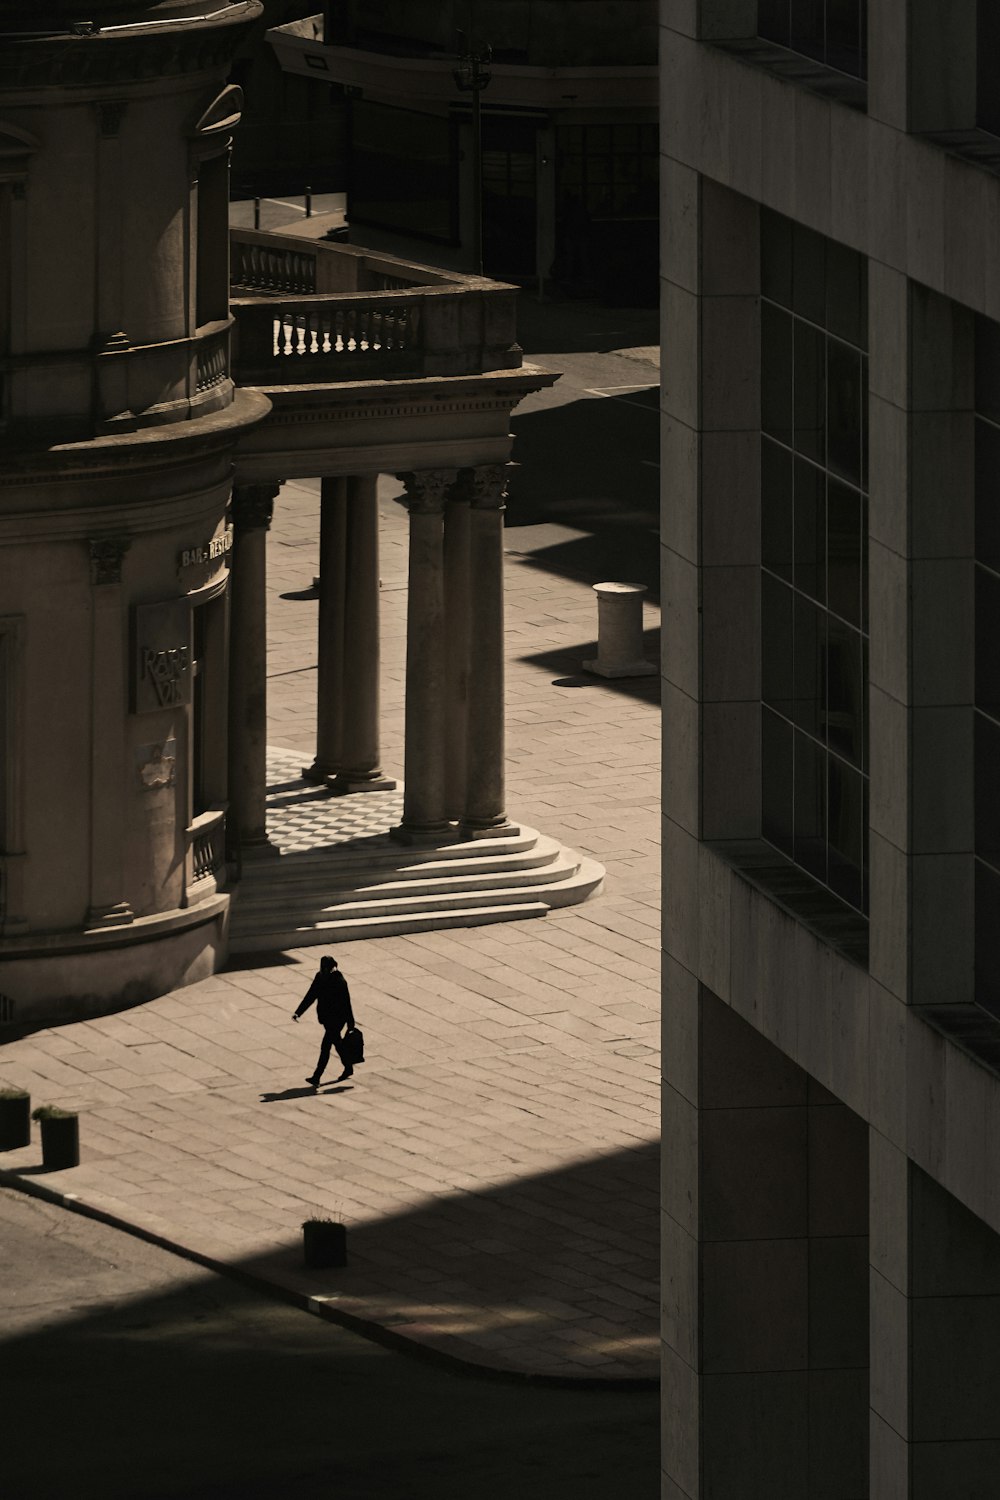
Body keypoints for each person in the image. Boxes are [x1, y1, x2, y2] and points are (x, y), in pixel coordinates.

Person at [292, 954, 356, 1087]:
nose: (324, 970)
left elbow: (346, 1003)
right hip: (327, 1019)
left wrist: (350, 1023)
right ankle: (348, 1067)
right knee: (337, 1043)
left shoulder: (339, 981)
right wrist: (298, 1012)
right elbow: (311, 995)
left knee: (325, 1046)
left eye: (326, 968)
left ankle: (317, 1076)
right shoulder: (319, 977)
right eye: (322, 967)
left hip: (338, 1019)